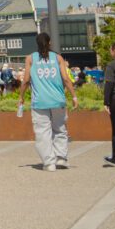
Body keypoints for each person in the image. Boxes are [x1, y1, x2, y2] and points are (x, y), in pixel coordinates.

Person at [18, 32, 79, 170]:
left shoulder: (30, 59)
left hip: (40, 101)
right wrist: (74, 96)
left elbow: (26, 80)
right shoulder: (58, 58)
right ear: (49, 42)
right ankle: (61, 158)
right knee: (60, 129)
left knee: (42, 132)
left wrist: (21, 96)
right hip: (58, 99)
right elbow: (66, 79)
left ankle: (49, 162)